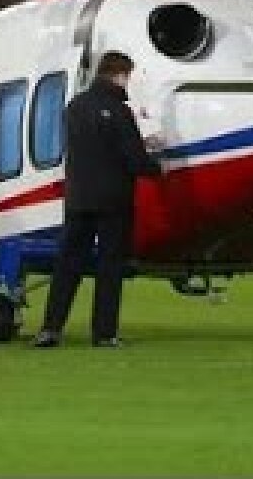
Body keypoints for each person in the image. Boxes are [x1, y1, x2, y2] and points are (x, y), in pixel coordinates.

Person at [34, 52, 162, 349]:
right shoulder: (119, 111)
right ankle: (104, 333)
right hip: (113, 201)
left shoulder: (74, 107)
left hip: (78, 198)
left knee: (67, 266)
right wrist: (156, 166)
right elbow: (133, 160)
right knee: (109, 268)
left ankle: (51, 328)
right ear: (119, 74)